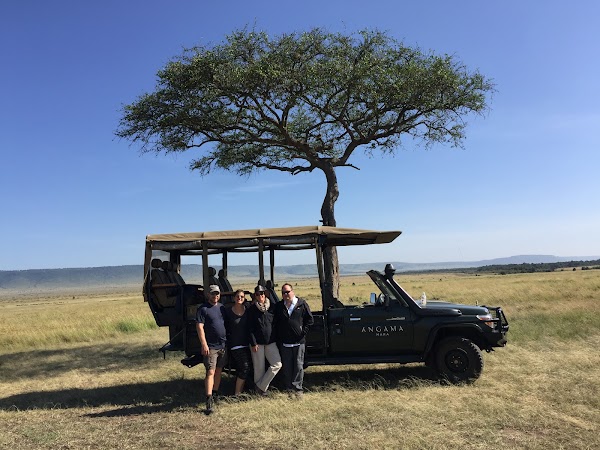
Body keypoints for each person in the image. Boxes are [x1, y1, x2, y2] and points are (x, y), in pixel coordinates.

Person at [273, 283, 314, 396]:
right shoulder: (279, 306)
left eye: (288, 292)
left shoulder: (301, 304)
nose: (286, 294)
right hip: (285, 343)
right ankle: (288, 388)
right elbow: (275, 322)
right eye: (283, 293)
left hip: (299, 342)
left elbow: (310, 320)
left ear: (292, 291)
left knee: (298, 366)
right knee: (287, 367)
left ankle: (297, 389)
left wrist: (303, 332)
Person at [196, 285, 226, 414]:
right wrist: (204, 344)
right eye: (213, 294)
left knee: (219, 370)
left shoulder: (221, 307)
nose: (215, 296)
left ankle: (215, 394)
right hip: (211, 346)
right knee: (210, 372)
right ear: (208, 294)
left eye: (217, 294)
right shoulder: (203, 309)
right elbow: (199, 327)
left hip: (223, 345)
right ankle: (208, 401)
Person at [248, 284, 282, 395]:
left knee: (277, 364)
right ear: (255, 296)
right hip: (257, 343)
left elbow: (276, 323)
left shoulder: (272, 308)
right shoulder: (252, 309)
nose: (260, 296)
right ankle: (261, 392)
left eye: (262, 293)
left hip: (271, 342)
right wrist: (253, 343)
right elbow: (250, 328)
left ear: (265, 294)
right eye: (258, 294)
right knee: (259, 368)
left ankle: (260, 387)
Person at [224, 289, 251, 396]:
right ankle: (237, 393)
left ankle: (247, 389)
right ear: (234, 298)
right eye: (237, 296)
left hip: (248, 344)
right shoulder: (228, 312)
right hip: (235, 345)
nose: (239, 298)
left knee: (247, 368)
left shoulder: (247, 310)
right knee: (245, 367)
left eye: (242, 297)